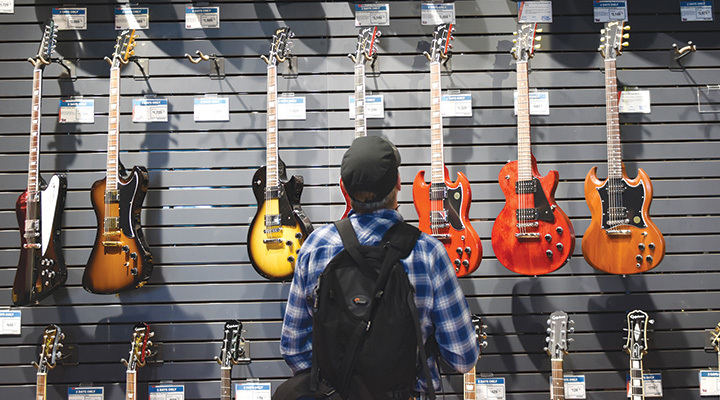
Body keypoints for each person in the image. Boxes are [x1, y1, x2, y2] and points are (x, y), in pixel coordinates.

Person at [280, 135, 479, 397]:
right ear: (398, 184)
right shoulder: (428, 253)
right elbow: (462, 357)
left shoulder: (316, 246)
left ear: (344, 187)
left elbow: (294, 349)